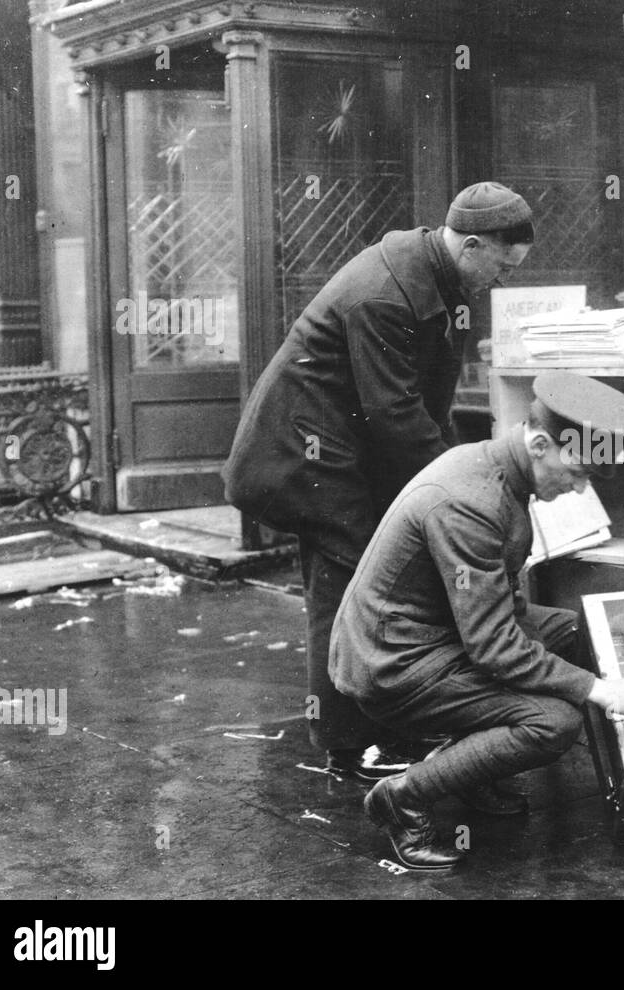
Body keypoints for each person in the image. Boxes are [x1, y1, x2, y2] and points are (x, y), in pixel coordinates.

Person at [222, 182, 534, 783]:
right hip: (301, 458)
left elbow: (426, 404)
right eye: (502, 267)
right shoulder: (385, 295)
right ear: (471, 246)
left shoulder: (442, 278)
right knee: (350, 580)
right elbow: (392, 413)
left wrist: (455, 475)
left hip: (343, 450)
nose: (503, 281)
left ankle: (380, 718)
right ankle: (349, 742)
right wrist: (466, 487)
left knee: (373, 575)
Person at [330, 370, 624, 870]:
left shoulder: (495, 470)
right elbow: (494, 648)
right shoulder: (471, 504)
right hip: (393, 664)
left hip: (430, 636)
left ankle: (477, 768)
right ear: (538, 443)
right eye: (577, 472)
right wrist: (600, 690)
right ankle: (402, 797)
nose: (578, 488)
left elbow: (499, 614)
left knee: (574, 631)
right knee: (554, 722)